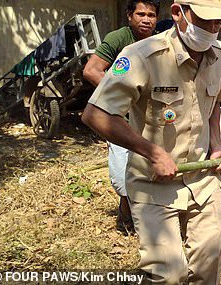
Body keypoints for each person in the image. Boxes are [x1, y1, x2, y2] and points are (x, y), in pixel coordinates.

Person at [81, 0, 221, 283]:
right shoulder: (142, 55)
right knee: (168, 274)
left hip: (202, 180)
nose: (214, 29)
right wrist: (152, 152)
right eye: (205, 20)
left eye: (219, 22)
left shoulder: (219, 54)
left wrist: (216, 145)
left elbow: (213, 104)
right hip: (153, 183)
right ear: (178, 13)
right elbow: (95, 113)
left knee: (208, 266)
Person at [83, 0, 159, 235]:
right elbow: (91, 70)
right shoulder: (119, 39)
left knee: (150, 165)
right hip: (122, 118)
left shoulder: (161, 39)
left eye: (151, 15)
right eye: (141, 14)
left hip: (152, 117)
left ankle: (146, 217)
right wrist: (122, 96)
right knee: (121, 170)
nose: (146, 19)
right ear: (129, 15)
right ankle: (126, 214)